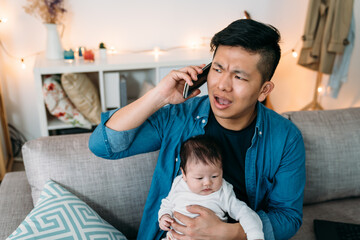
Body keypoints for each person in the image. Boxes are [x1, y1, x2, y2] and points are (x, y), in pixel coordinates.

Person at [89, 18, 306, 240]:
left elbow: (288, 217)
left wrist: (228, 232)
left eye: (239, 76)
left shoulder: (286, 137)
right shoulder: (180, 116)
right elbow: (102, 146)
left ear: (264, 90)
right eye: (218, 69)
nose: (222, 85)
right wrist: (159, 96)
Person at [158, 135, 264, 240]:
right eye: (199, 178)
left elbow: (245, 212)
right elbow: (167, 203)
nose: (207, 183)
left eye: (214, 176)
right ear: (184, 174)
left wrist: (255, 235)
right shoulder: (179, 183)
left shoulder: (223, 191)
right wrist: (164, 216)